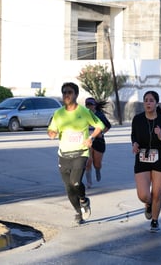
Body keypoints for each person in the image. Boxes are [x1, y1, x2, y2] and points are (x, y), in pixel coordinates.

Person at [47, 82, 105, 226]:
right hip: (64, 154)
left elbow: (100, 126)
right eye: (64, 92)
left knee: (75, 182)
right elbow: (51, 129)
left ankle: (84, 199)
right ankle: (78, 213)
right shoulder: (58, 113)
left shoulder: (84, 112)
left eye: (70, 92)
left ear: (76, 95)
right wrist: (52, 133)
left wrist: (91, 138)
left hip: (81, 152)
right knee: (69, 188)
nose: (67, 95)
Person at [131, 91, 161, 232]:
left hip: (159, 159)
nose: (148, 103)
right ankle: (148, 204)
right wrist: (135, 144)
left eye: (151, 100)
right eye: (146, 100)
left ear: (156, 103)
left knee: (157, 193)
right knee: (144, 195)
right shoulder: (137, 119)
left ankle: (154, 221)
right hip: (142, 158)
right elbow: (134, 136)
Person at [84, 97, 112, 188]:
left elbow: (108, 125)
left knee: (97, 163)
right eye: (87, 105)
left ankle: (97, 170)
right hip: (87, 141)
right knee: (88, 161)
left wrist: (102, 133)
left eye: (91, 105)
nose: (89, 107)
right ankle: (89, 182)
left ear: (95, 106)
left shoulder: (99, 115)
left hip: (98, 141)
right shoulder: (83, 115)